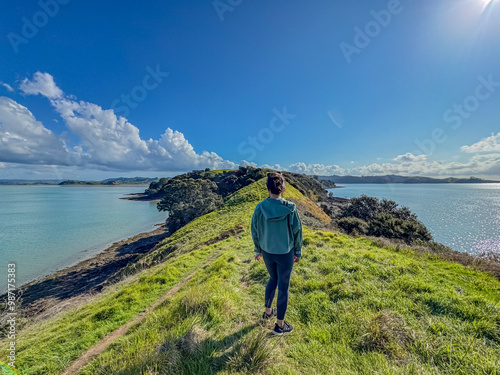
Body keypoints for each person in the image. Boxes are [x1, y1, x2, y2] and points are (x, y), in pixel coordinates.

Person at [251, 171, 303, 335]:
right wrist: (298, 251)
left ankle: (267, 313)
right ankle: (279, 326)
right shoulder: (290, 208)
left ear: (268, 188)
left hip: (267, 251)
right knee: (283, 287)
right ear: (283, 188)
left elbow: (254, 229)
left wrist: (258, 249)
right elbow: (297, 231)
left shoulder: (260, 207)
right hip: (284, 253)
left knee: (273, 279)